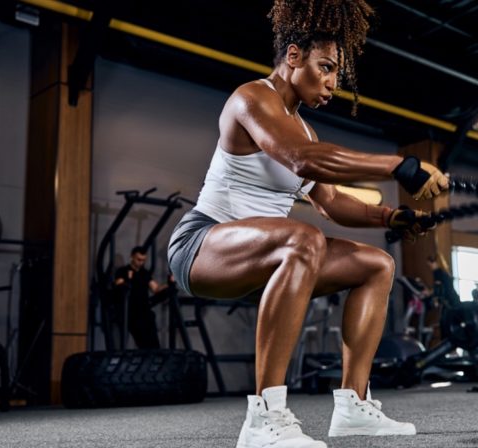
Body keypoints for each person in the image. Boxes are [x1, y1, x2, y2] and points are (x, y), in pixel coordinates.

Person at [166, 1, 449, 446]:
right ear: (293, 57)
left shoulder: (304, 130)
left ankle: (353, 407)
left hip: (265, 254)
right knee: (302, 240)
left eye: (337, 73)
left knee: (377, 266)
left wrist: (389, 216)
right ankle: (263, 418)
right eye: (326, 67)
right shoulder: (252, 97)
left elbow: (332, 202)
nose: (333, 83)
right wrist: (399, 166)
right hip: (201, 247)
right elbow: (302, 160)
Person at [113, 246, 171, 349]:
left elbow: (156, 288)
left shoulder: (144, 273)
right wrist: (129, 280)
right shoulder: (123, 271)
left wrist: (169, 284)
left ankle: (155, 353)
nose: (141, 263)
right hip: (131, 311)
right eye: (138, 259)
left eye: (143, 260)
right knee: (142, 338)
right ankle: (148, 353)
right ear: (132, 257)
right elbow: (119, 285)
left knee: (152, 337)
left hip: (144, 310)